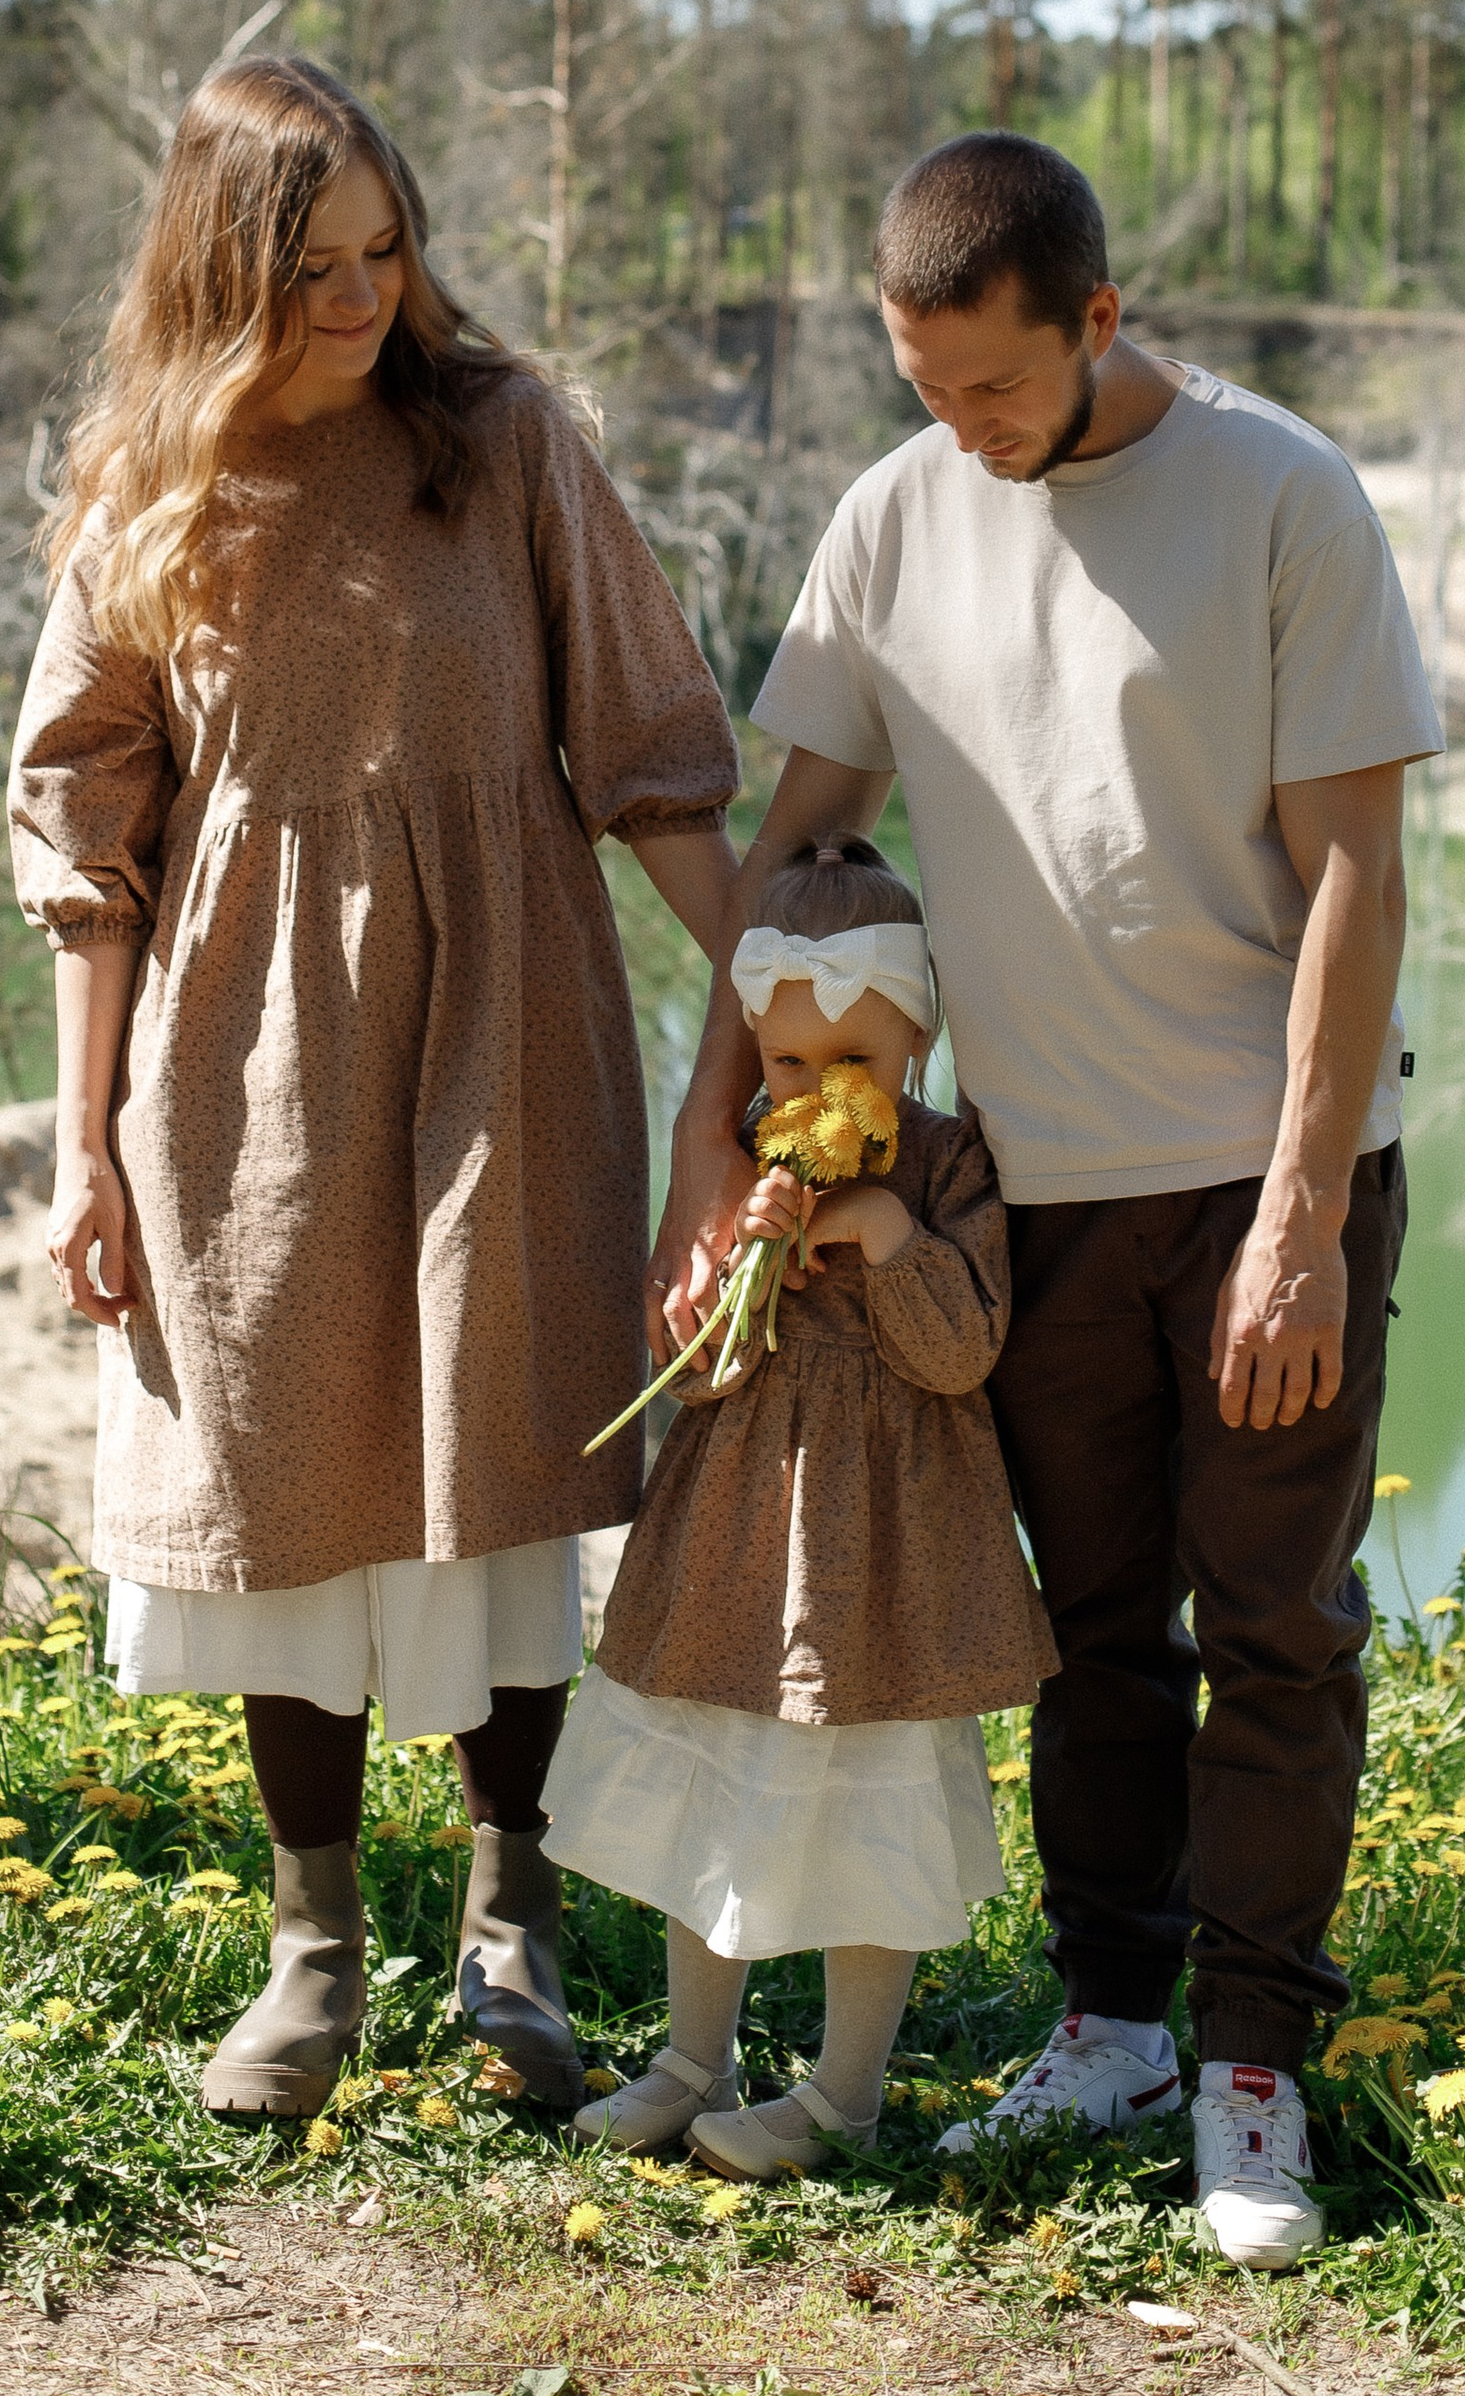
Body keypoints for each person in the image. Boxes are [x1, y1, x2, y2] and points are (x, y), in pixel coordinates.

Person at [651, 133, 1443, 2267]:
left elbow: (1355, 878)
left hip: (1265, 1172)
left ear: (1099, 318)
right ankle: (1111, 2023)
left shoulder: (1281, 496)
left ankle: (1253, 2065)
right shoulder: (895, 518)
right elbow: (790, 857)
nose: (964, 429)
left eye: (995, 387)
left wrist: (1300, 1220)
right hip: (1036, 1192)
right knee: (1093, 1633)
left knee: (1273, 1629)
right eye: (923, 387)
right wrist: (709, 1147)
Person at [8, 53, 738, 2123]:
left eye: (383, 252)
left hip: (506, 1019)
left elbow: (653, 753)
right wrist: (84, 1148)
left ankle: (513, 1928)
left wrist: (778, 990)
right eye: (308, 267)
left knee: (499, 1447)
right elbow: (86, 839)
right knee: (284, 1474)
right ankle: (313, 1950)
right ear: (218, 271)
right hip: (240, 1054)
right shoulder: (156, 486)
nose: (356, 298)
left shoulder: (502, 442)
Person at [543, 837, 1053, 2176]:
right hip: (743, 1539)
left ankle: (844, 2094)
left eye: (857, 1063)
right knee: (717, 1786)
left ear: (918, 1046)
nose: (823, 1093)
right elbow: (700, 1373)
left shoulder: (951, 1169)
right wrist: (746, 1265)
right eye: (787, 1064)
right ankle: (691, 2059)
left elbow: (961, 1355)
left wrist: (886, 1237)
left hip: (888, 1553)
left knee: (870, 1805)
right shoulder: (743, 1164)